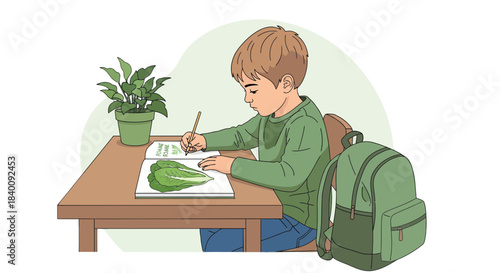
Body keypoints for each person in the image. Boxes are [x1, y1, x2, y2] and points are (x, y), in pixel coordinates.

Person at [180, 25, 330, 252]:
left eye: (253, 90)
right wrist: (204, 141)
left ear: (286, 84)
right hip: (268, 202)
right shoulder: (271, 115)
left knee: (217, 245)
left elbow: (289, 175)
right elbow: (241, 136)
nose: (247, 98)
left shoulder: (306, 123)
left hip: (299, 221)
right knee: (207, 220)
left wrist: (233, 165)